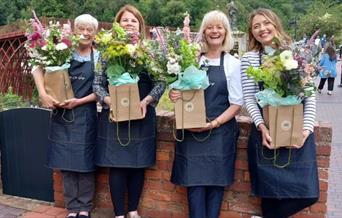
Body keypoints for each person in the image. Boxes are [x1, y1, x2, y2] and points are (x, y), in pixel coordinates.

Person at [241, 8, 319, 218]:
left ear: (275, 25)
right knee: (270, 194)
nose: (262, 29)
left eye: (266, 23)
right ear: (251, 32)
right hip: (267, 135)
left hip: (297, 133)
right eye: (256, 26)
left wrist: (306, 129)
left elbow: (309, 95)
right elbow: (249, 98)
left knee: (308, 194)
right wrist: (261, 126)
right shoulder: (249, 59)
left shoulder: (297, 54)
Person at [93, 5, 165, 218]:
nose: (129, 24)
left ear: (140, 25)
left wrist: (147, 100)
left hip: (142, 114)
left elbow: (161, 81)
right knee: (116, 166)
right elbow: (97, 84)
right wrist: (109, 100)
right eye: (125, 20)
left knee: (138, 164)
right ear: (118, 25)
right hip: (114, 115)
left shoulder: (149, 50)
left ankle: (133, 211)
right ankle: (118, 214)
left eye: (133, 21)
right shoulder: (106, 52)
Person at [169, 10, 243, 218]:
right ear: (203, 32)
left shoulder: (233, 64)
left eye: (219, 27)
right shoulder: (191, 60)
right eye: (209, 27)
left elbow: (236, 104)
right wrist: (175, 94)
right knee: (194, 185)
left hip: (220, 134)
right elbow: (179, 90)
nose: (214, 31)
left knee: (216, 186)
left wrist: (213, 124)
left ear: (226, 32)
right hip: (192, 132)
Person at [31, 14, 99, 218]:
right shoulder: (61, 50)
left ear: (95, 33)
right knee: (66, 163)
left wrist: (79, 101)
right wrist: (43, 94)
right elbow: (36, 68)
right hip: (61, 114)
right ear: (74, 31)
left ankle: (85, 207)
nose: (85, 33)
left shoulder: (99, 57)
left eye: (90, 30)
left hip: (86, 114)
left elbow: (103, 89)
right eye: (81, 29)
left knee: (86, 163)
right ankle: (72, 208)